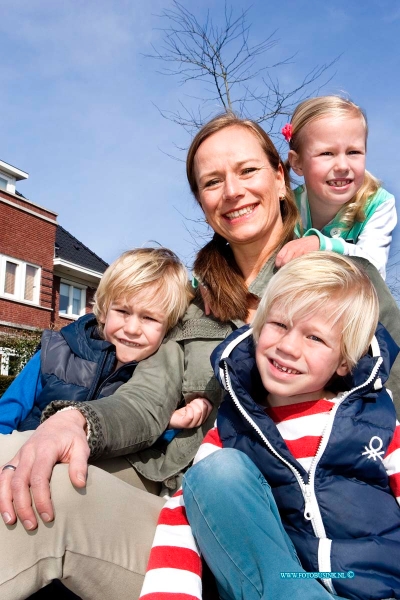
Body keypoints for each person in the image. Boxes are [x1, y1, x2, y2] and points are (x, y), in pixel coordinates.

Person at [0, 113, 400, 600]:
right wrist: (74, 422)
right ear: (203, 203)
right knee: (14, 460)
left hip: (310, 548)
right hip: (185, 526)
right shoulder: (195, 306)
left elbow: (386, 412)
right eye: (212, 181)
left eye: (247, 171)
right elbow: (145, 403)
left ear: (280, 177)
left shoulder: (348, 283)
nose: (232, 191)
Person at [142, 253, 400, 600]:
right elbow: (191, 509)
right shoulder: (234, 432)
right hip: (283, 581)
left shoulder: (375, 424)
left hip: (377, 585)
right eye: (279, 325)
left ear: (343, 361)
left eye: (315, 338)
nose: (288, 347)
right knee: (214, 473)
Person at [0, 247, 211, 442]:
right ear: (103, 311)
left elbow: (148, 444)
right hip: (25, 450)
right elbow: (8, 411)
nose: (132, 329)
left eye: (149, 318)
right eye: (123, 311)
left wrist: (170, 421)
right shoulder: (56, 350)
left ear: (168, 326)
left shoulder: (160, 379)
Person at [276, 96, 397, 279]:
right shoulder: (287, 208)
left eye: (353, 152)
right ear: (298, 163)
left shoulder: (378, 204)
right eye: (327, 153)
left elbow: (374, 267)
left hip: (357, 302)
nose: (342, 166)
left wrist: (322, 245)